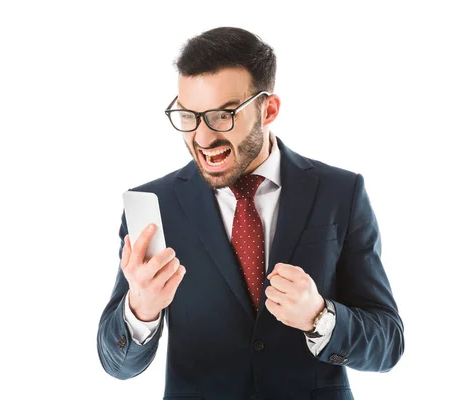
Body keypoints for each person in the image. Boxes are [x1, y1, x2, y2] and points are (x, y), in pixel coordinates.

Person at [97, 26, 404, 400]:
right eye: (188, 116)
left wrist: (321, 317)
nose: (203, 138)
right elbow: (117, 364)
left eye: (223, 116)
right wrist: (140, 310)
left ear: (268, 109)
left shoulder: (341, 192)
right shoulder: (152, 206)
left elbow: (388, 344)